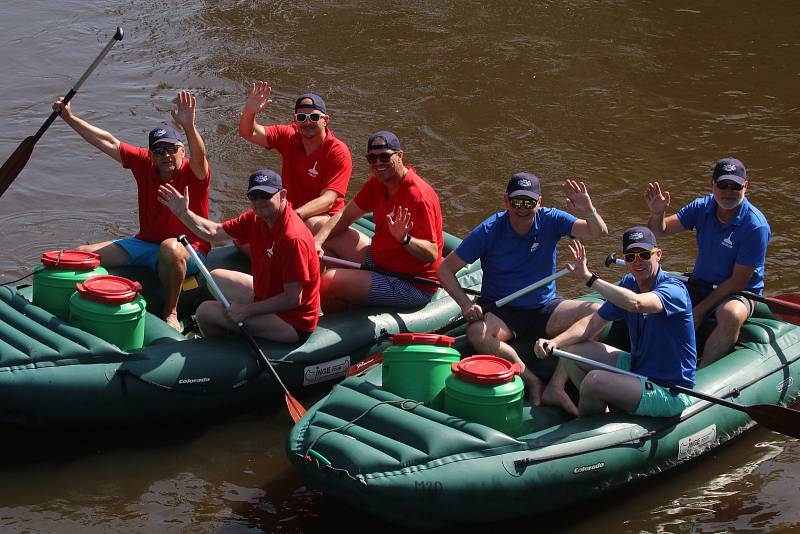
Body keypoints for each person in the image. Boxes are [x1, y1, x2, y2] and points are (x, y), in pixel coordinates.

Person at [437, 172, 608, 413]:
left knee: (598, 311)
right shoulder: (490, 229)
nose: (523, 208)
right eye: (517, 202)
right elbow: (445, 269)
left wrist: (589, 211)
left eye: (529, 202)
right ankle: (531, 379)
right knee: (477, 332)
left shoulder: (551, 220)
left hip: (546, 307)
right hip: (503, 311)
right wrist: (466, 304)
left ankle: (556, 386)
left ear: (539, 202)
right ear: (506, 201)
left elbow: (597, 232)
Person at [52, 91, 211, 331]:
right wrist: (70, 117)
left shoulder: (194, 173)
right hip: (145, 244)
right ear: (150, 155)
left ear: (182, 151)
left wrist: (189, 126)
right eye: (158, 151)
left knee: (170, 247)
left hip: (189, 250)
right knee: (82, 255)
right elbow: (108, 141)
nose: (165, 155)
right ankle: (73, 305)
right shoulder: (144, 164)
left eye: (171, 149)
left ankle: (171, 313)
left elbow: (201, 156)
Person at [534, 228, 697, 418]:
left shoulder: (673, 289)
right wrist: (554, 342)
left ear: (658, 255)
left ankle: (587, 426)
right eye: (630, 257)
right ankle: (601, 412)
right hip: (638, 366)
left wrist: (589, 278)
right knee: (570, 351)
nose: (638, 261)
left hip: (669, 389)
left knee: (594, 381)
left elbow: (637, 303)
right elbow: (593, 322)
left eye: (644, 254)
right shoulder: (629, 283)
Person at [157, 169, 320, 342]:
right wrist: (183, 213)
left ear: (283, 195)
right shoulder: (256, 219)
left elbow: (293, 299)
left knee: (205, 312)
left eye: (265, 195)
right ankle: (236, 329)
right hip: (268, 296)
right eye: (253, 196)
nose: (259, 201)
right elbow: (214, 232)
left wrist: (246, 310)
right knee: (215, 278)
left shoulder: (292, 238)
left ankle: (228, 350)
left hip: (293, 321)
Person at [645, 157, 770, 367]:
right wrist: (657, 214)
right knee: (658, 297)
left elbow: (738, 282)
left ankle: (701, 374)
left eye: (735, 186)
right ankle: (651, 358)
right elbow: (659, 231)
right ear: (712, 184)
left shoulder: (755, 226)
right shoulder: (701, 207)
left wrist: (700, 311)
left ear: (745, 186)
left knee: (730, 314)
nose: (728, 192)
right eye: (723, 185)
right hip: (701, 283)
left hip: (740, 292)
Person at [313, 131, 443, 312]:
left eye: (384, 156)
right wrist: (316, 242)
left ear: (399, 156)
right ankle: (336, 293)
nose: (378, 163)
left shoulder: (418, 197)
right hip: (380, 260)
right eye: (372, 158)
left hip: (409, 282)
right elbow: (345, 215)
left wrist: (405, 240)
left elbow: (432, 253)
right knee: (316, 226)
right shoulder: (377, 183)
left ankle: (333, 305)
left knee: (328, 281)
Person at [238, 81, 352, 245]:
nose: (307, 122)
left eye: (313, 117)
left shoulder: (337, 151)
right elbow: (247, 132)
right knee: (240, 238)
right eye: (301, 117)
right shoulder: (289, 136)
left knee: (307, 226)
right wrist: (251, 111)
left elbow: (328, 200)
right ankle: (275, 261)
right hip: (290, 212)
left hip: (323, 217)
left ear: (325, 119)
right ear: (295, 120)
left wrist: (293, 216)